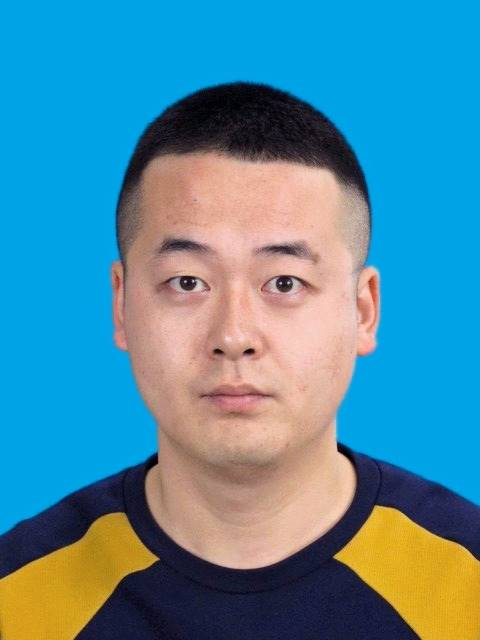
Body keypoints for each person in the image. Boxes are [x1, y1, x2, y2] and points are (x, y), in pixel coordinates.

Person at [0, 81, 479, 640]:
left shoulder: (466, 585)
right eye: (187, 282)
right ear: (121, 303)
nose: (233, 335)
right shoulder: (18, 599)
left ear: (364, 310)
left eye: (284, 282)